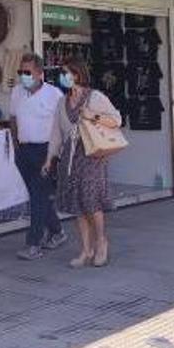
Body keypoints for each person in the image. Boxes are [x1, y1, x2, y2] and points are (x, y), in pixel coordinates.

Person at [48, 58, 122, 268]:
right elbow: (56, 133)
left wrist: (92, 115)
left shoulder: (95, 97)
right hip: (70, 159)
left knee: (91, 203)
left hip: (92, 156)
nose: (62, 77)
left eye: (65, 73)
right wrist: (50, 158)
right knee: (78, 206)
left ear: (77, 74)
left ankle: (101, 242)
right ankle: (85, 249)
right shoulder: (62, 102)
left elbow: (116, 119)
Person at [10, 53, 67, 260]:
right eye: (21, 72)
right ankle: (57, 231)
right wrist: (16, 143)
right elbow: (13, 118)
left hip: (46, 150)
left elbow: (63, 124)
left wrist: (56, 152)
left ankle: (33, 244)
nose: (23, 76)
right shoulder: (16, 93)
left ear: (39, 73)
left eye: (28, 72)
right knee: (38, 196)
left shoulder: (54, 94)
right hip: (24, 150)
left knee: (38, 196)